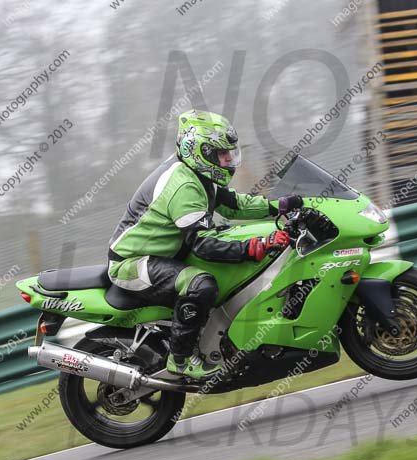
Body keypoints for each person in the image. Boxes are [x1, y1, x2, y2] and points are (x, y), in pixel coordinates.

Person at [107, 110, 303, 380]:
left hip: (163, 255)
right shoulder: (183, 185)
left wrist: (278, 206)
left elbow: (236, 205)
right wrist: (254, 247)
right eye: (222, 155)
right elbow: (203, 245)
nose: (229, 160)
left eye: (230, 154)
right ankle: (180, 359)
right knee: (200, 283)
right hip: (132, 263)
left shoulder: (199, 175)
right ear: (202, 152)